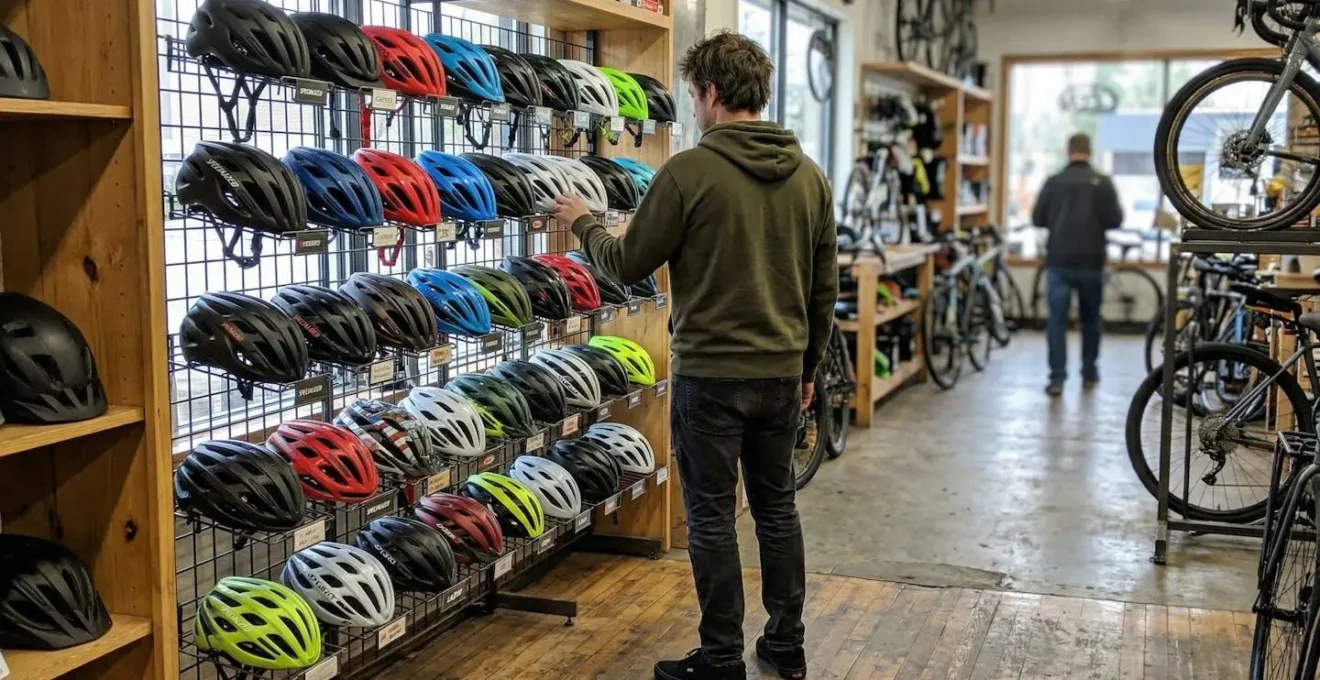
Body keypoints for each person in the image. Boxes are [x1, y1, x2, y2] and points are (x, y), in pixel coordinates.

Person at [551, 30, 837, 680]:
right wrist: (809, 370)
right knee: (777, 508)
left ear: (710, 93)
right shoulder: (810, 177)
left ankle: (720, 660)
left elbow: (628, 264)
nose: (693, 106)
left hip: (710, 376)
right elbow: (826, 290)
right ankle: (786, 647)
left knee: (711, 515)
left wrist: (584, 222)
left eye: (693, 94)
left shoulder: (689, 170)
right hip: (781, 374)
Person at [1032, 132, 1123, 397]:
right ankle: (1089, 374)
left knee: (1057, 322)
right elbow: (1115, 219)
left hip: (1058, 260)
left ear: (1068, 151)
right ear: (1090, 151)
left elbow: (1038, 218)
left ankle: (1057, 379)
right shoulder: (1103, 182)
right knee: (1091, 319)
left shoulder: (1053, 182)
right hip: (1091, 261)